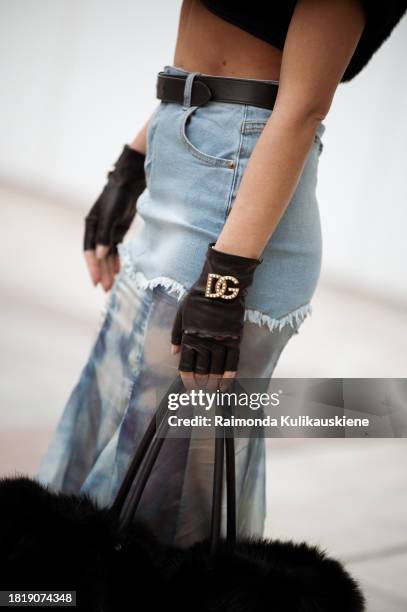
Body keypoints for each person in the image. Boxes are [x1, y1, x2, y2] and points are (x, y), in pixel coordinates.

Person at [36, 0, 406, 547]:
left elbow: (301, 106)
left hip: (237, 200)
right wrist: (131, 165)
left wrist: (225, 281)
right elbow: (207, 64)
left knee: (167, 482)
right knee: (104, 417)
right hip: (183, 154)